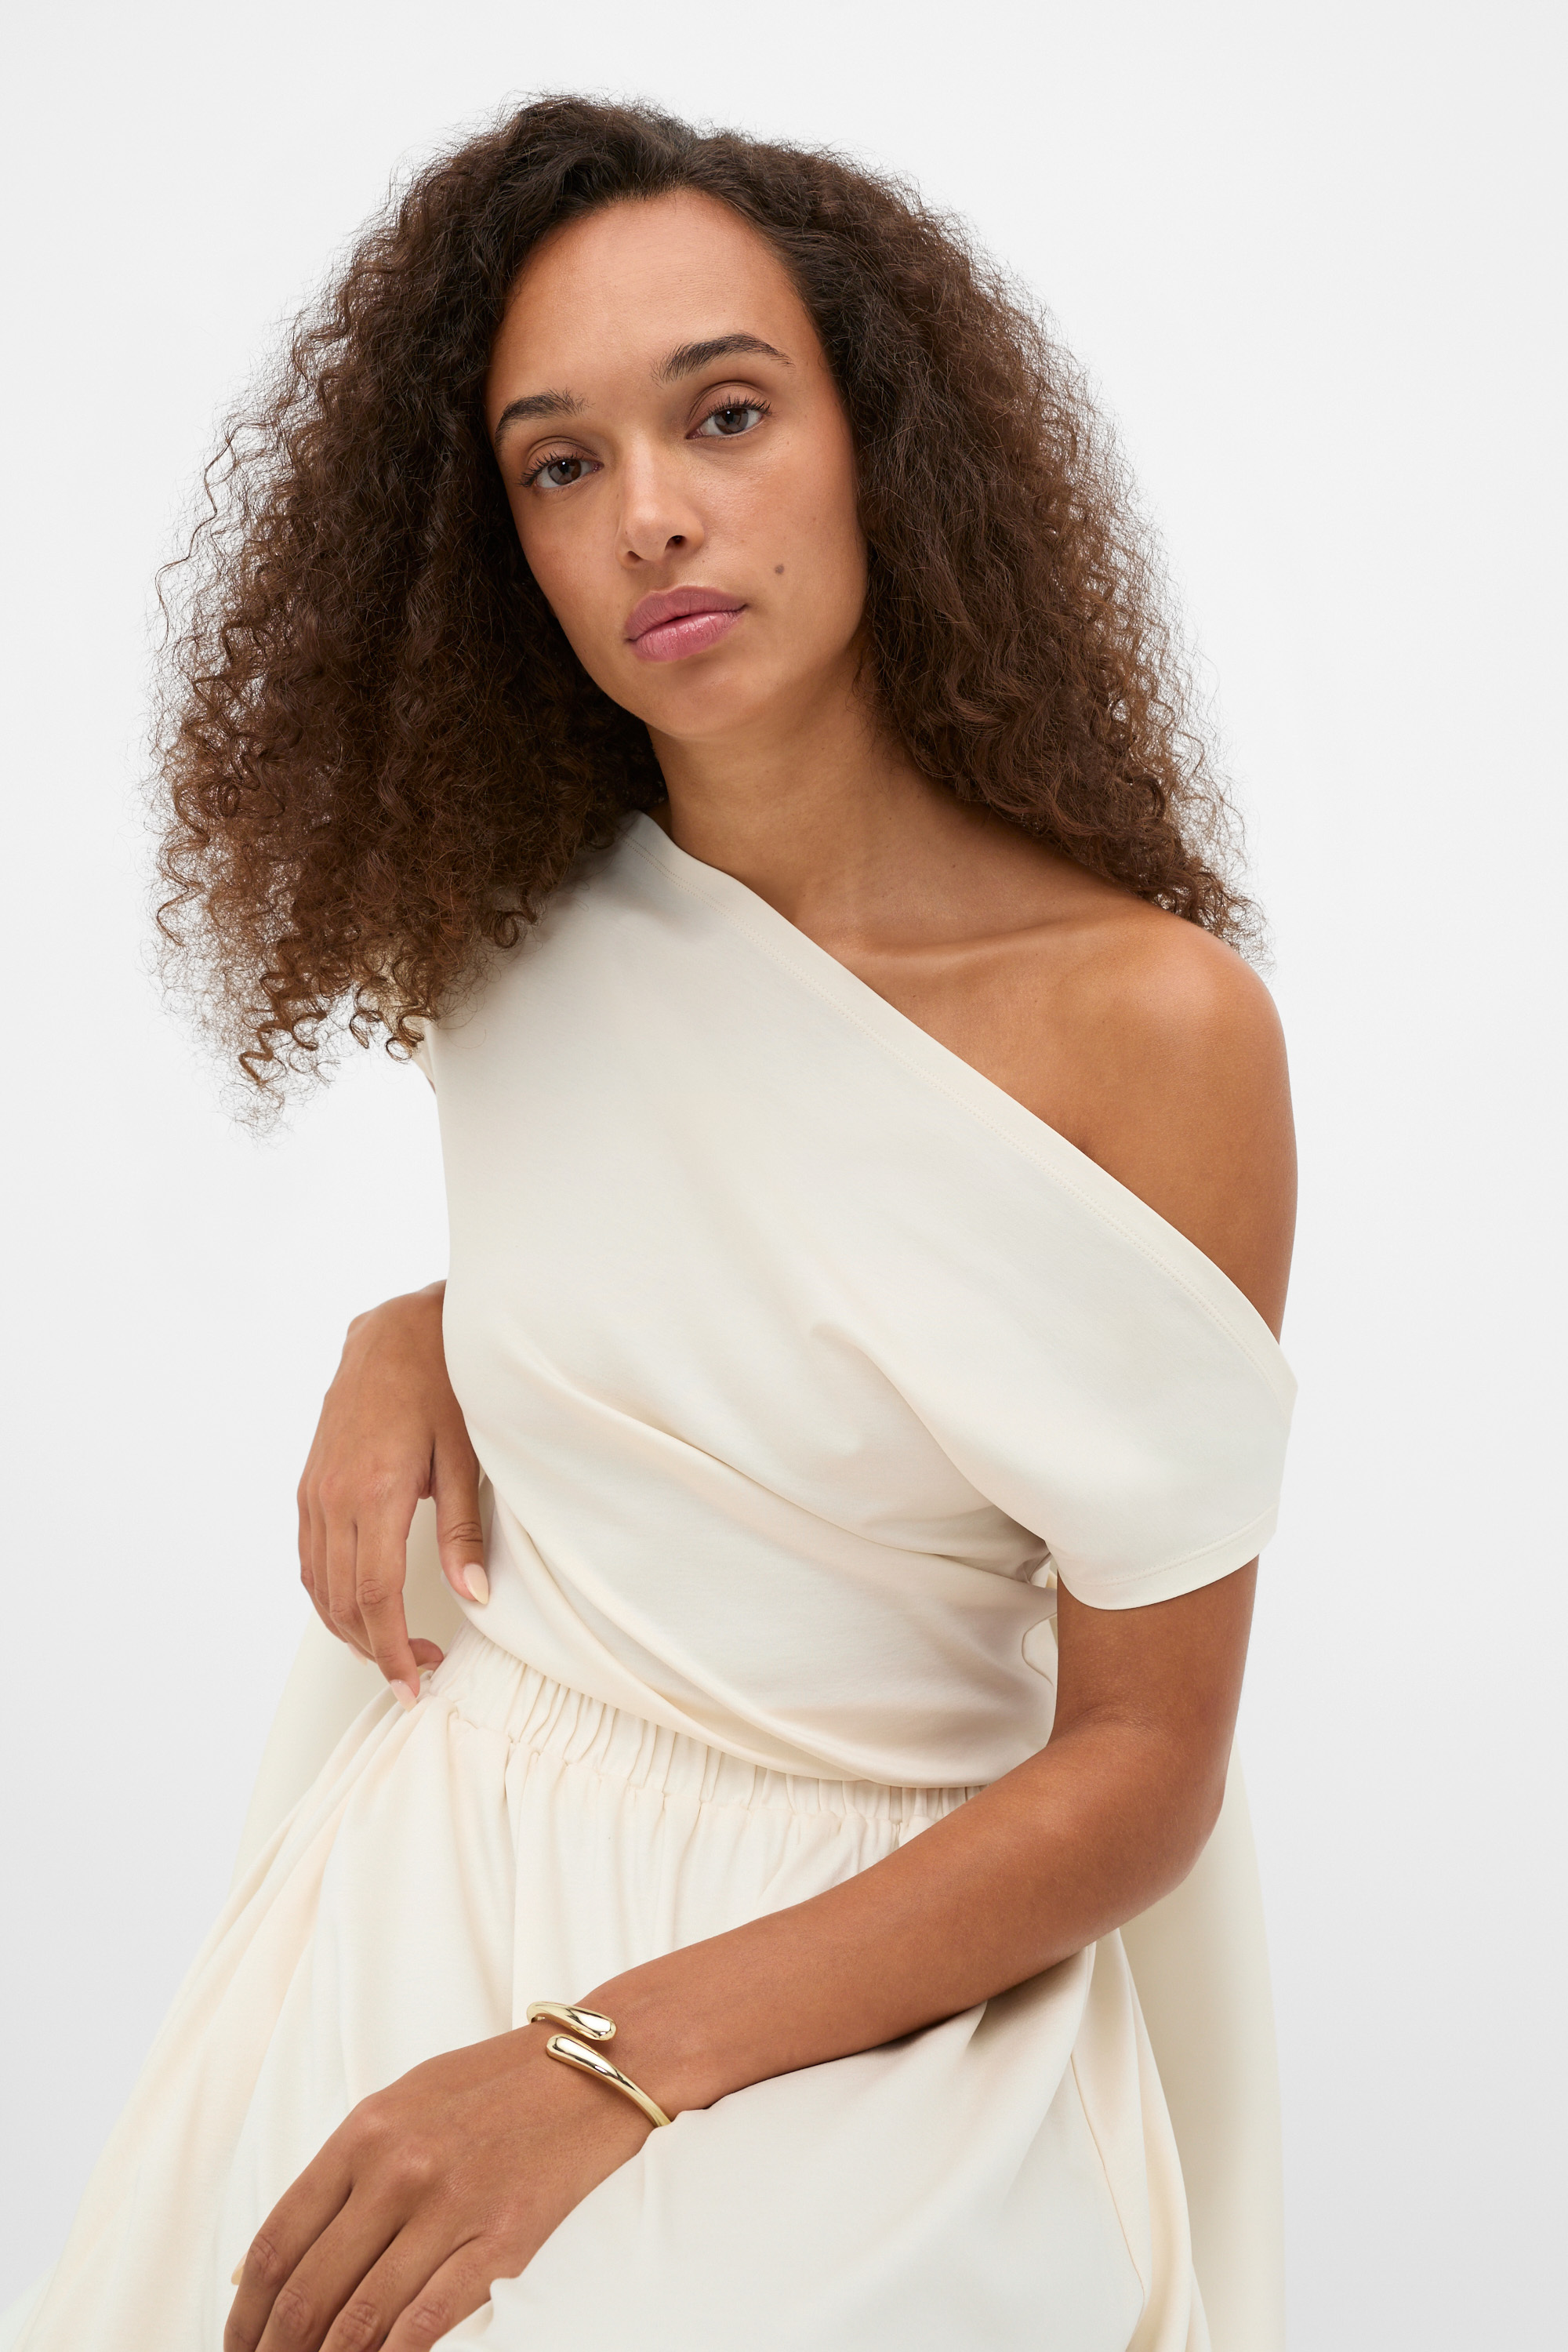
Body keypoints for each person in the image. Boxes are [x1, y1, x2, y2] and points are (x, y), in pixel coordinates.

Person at [9, 95, 1296, 2352]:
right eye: (557, 463)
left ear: (882, 441)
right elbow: (709, 1274)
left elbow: (1146, 1766)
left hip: (888, 1944)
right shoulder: (510, 935)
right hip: (445, 1857)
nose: (652, 515)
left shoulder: (1155, 1028)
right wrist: (417, 1324)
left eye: (725, 413)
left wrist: (593, 2068)